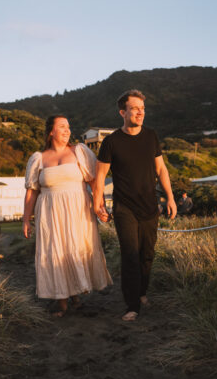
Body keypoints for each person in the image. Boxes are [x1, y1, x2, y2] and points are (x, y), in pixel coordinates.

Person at [92, 90, 177, 322]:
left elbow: (161, 169)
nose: (140, 112)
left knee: (147, 254)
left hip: (150, 206)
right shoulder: (111, 142)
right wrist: (98, 203)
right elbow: (100, 177)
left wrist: (170, 197)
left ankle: (141, 293)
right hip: (124, 208)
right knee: (130, 255)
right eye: (135, 108)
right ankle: (132, 305)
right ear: (123, 112)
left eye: (142, 108)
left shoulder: (151, 136)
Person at [22, 115, 112, 317]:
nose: (67, 130)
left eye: (69, 127)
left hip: (78, 210)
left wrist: (100, 207)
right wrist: (26, 219)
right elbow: (32, 191)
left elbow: (94, 181)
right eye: (62, 126)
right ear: (51, 131)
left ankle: (76, 296)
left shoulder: (79, 151)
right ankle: (62, 300)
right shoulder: (38, 158)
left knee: (74, 249)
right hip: (50, 212)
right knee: (56, 251)